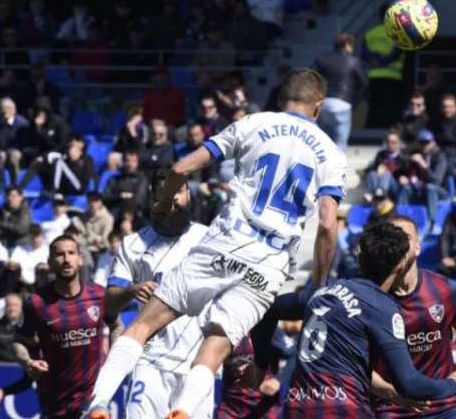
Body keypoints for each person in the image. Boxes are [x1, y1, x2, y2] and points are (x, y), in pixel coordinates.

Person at [84, 68, 346, 419]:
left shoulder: (253, 123)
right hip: (269, 264)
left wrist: (163, 202)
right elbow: (327, 224)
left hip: (225, 242)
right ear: (319, 106)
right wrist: (317, 284)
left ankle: (99, 404)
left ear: (280, 98)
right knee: (214, 349)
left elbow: (180, 169)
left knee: (142, 326)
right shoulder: (331, 152)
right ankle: (183, 410)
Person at [247, 221, 456, 418]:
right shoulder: (382, 307)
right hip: (344, 409)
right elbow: (409, 383)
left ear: (360, 258)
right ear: (401, 265)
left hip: (298, 407)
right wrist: (452, 385)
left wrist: (259, 364)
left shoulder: (323, 293)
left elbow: (267, 310)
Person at [104, 170, 212, 419]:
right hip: (150, 359)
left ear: (188, 194)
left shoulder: (209, 238)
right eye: (165, 192)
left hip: (198, 362)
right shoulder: (132, 244)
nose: (173, 198)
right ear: (154, 196)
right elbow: (110, 301)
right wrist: (132, 289)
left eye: (179, 191)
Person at [370, 216, 456, 419]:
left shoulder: (446, 291)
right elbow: (356, 365)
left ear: (418, 247)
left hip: (445, 406)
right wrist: (394, 395)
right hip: (391, 408)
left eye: (405, 238)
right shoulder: (369, 299)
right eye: (392, 239)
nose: (398, 245)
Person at [13, 235, 123, 419]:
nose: (66, 259)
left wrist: (114, 359)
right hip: (55, 400)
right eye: (60, 254)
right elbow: (18, 341)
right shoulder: (36, 303)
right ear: (50, 262)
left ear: (80, 259)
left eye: (71, 253)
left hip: (94, 396)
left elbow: (117, 326)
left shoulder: (99, 295)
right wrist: (28, 362)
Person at [313, 32, 367, 151]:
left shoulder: (322, 59)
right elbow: (363, 83)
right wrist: (355, 100)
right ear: (347, 44)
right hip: (343, 103)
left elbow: (312, 78)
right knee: (340, 143)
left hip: (324, 103)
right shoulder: (354, 61)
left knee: (323, 142)